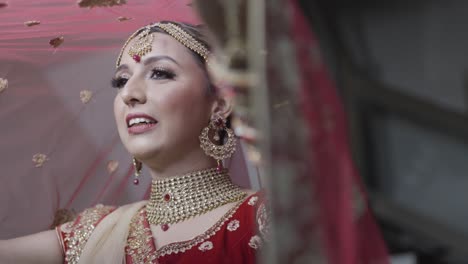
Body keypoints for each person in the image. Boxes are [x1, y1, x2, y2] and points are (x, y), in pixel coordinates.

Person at [0, 21, 266, 264]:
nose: (128, 93)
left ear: (219, 103)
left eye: (160, 73)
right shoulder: (95, 233)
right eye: (121, 80)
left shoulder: (270, 219)